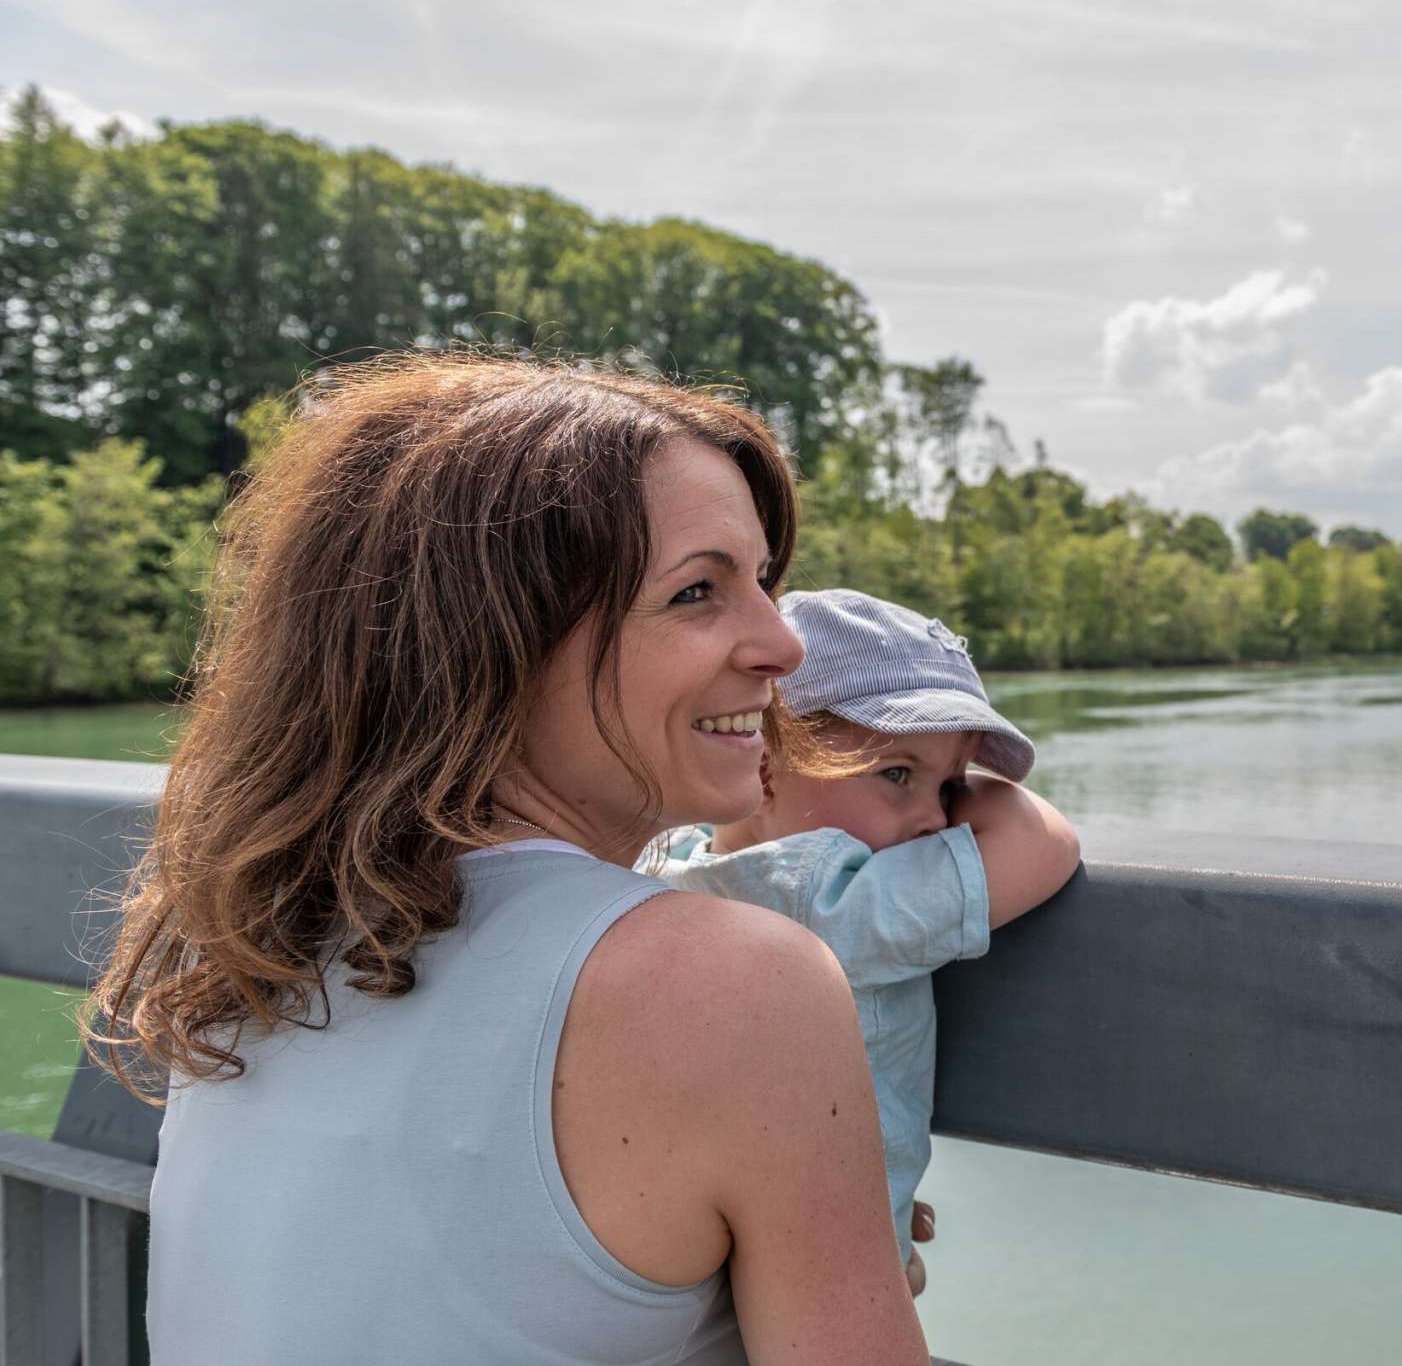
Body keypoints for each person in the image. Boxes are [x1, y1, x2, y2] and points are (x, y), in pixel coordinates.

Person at [87, 356, 929, 1365]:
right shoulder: (738, 983)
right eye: (698, 592)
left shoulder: (241, 938)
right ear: (493, 640)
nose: (781, 645)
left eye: (765, 583)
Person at [655, 589, 1081, 1299]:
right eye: (896, 774)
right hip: (823, 1277)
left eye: (948, 787)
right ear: (764, 769)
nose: (935, 820)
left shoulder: (672, 869)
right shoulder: (834, 900)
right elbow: (1046, 841)